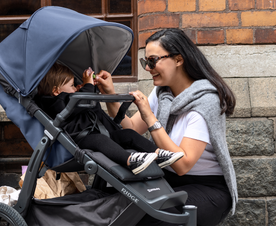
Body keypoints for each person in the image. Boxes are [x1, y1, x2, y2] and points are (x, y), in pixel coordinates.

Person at [94, 28, 238, 226]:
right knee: (120, 208)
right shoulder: (163, 94)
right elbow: (131, 129)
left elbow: (182, 165)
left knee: (152, 218)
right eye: (146, 62)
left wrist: (150, 117)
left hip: (207, 187)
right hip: (167, 179)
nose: (148, 68)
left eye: (152, 61)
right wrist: (109, 94)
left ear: (178, 59)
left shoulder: (206, 102)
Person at [36, 62, 184, 175]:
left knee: (129, 134)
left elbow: (89, 106)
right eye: (72, 85)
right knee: (100, 140)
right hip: (81, 139)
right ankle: (130, 161)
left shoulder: (69, 97)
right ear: (56, 91)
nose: (75, 89)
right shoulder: (53, 102)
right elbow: (79, 104)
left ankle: (159, 153)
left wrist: (87, 88)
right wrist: (87, 86)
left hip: (101, 133)